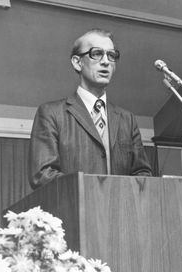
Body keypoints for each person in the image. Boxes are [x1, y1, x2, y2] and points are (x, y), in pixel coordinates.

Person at [28, 28, 152, 189]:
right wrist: (95, 191)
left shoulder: (127, 118)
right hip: (74, 210)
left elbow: (143, 174)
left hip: (121, 210)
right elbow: (43, 175)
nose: (106, 61)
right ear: (77, 62)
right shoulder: (51, 113)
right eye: (97, 53)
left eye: (111, 55)